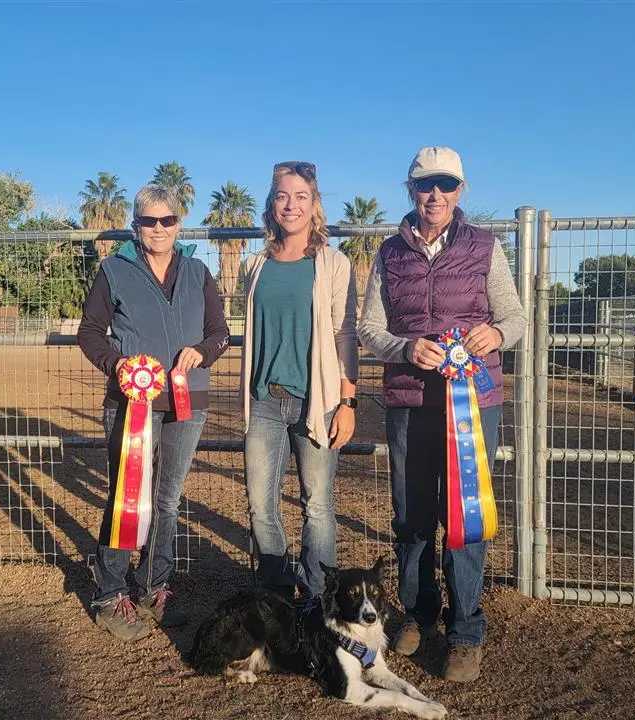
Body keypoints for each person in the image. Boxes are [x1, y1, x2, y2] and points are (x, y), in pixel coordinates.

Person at [356, 146, 526, 683]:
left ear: (461, 190)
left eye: (446, 185)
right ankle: (417, 612)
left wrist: (497, 334)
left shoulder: (486, 247)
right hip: (409, 398)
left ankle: (466, 629)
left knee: (465, 516)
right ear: (410, 190)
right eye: (425, 185)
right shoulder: (388, 253)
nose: (435, 195)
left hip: (473, 403)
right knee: (411, 515)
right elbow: (369, 329)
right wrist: (405, 349)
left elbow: (516, 316)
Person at [77, 184, 230, 641]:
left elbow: (219, 332)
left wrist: (202, 353)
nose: (159, 229)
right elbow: (90, 332)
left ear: (179, 224)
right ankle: (109, 593)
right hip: (131, 403)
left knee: (167, 499)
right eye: (149, 221)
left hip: (187, 402)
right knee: (128, 496)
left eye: (167, 220)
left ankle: (153, 587)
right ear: (136, 225)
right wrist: (117, 364)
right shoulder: (114, 269)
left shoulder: (199, 271)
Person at [238, 160, 359, 602]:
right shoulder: (254, 265)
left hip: (318, 401)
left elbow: (345, 333)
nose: (291, 205)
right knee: (260, 505)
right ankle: (275, 592)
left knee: (318, 507)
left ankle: (317, 597)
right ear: (272, 205)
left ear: (314, 205)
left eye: (301, 196)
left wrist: (349, 401)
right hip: (265, 402)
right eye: (282, 196)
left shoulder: (332, 263)